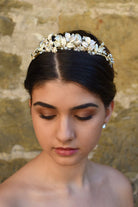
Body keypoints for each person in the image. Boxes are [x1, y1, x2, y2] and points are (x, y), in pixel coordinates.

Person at [0, 30, 134, 206]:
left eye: (83, 116)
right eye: (47, 116)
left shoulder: (118, 188)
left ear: (108, 112)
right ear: (31, 108)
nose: (64, 135)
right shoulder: (9, 200)